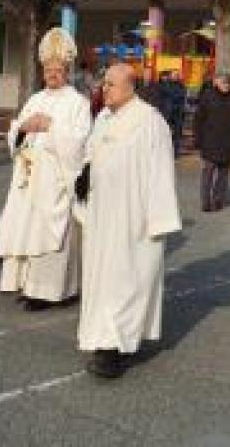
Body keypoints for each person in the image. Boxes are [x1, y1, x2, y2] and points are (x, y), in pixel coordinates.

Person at [73, 63, 181, 379]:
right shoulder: (103, 118)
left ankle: (114, 349)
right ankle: (104, 339)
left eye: (111, 84)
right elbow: (93, 153)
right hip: (102, 215)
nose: (104, 89)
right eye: (103, 84)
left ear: (130, 86)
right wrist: (85, 174)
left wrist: (158, 219)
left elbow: (161, 172)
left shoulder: (150, 121)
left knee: (126, 281)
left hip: (133, 218)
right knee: (103, 280)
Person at [0, 29, 91, 310]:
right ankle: (27, 285)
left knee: (52, 234)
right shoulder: (35, 99)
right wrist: (24, 128)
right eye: (48, 70)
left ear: (67, 71)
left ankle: (50, 291)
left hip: (55, 180)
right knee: (25, 226)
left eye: (58, 70)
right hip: (27, 178)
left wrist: (51, 127)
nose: (52, 75)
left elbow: (80, 142)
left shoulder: (78, 103)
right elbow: (16, 131)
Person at [193, 73, 230, 212]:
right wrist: (198, 139)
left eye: (228, 83)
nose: (226, 85)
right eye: (223, 82)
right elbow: (198, 119)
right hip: (210, 141)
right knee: (208, 172)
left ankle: (218, 200)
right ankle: (205, 201)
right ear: (216, 83)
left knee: (223, 174)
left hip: (228, 142)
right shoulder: (207, 96)